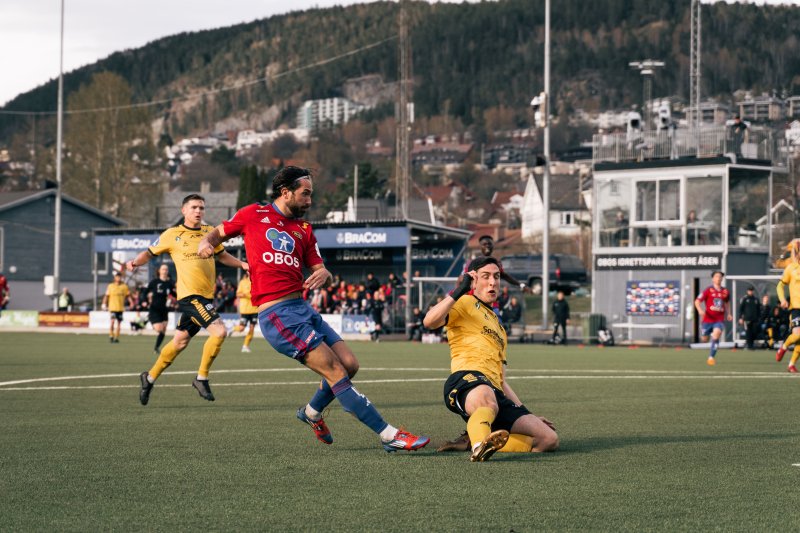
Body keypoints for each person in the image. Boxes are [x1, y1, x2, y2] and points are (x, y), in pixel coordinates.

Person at [196, 166, 429, 453]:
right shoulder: (253, 214)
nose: (309, 200)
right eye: (305, 194)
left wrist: (324, 274)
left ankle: (311, 412)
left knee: (351, 365)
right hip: (278, 315)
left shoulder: (304, 229)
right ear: (285, 192)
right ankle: (388, 434)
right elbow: (213, 236)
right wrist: (205, 245)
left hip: (302, 309)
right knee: (335, 371)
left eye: (311, 194)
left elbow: (320, 268)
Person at [423, 256, 558, 461]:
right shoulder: (464, 302)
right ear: (474, 280)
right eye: (485, 276)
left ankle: (478, 440)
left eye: (496, 277)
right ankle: (479, 446)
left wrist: (524, 412)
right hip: (466, 379)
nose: (493, 282)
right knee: (487, 399)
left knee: (548, 439)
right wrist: (459, 291)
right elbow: (429, 321)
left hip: (496, 392)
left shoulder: (499, 327)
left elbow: (501, 380)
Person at [125, 193, 249, 405]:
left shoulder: (210, 233)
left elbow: (222, 256)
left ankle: (150, 377)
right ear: (184, 210)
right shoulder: (172, 235)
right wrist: (135, 262)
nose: (198, 211)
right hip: (190, 296)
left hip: (205, 296)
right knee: (219, 331)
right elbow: (149, 252)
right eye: (194, 207)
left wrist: (243, 264)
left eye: (201, 207)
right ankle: (201, 378)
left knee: (180, 342)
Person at [694, 270, 732, 366]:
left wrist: (729, 313)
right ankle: (709, 334)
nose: (719, 278)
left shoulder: (725, 291)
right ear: (713, 279)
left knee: (717, 334)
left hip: (719, 319)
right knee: (704, 339)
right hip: (707, 319)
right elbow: (697, 301)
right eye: (717, 276)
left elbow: (727, 303)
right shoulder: (708, 290)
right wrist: (700, 310)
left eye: (720, 276)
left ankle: (711, 357)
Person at [775, 240, 800, 372]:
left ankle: (791, 364)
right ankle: (783, 347)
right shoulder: (791, 268)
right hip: (796, 308)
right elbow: (780, 285)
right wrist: (782, 299)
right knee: (797, 335)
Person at [145, 264, 176, 354]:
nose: (165, 271)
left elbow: (174, 294)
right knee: (159, 328)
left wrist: (179, 297)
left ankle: (156, 348)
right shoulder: (154, 282)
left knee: (163, 331)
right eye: (163, 269)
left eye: (166, 269)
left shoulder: (170, 283)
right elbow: (144, 292)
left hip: (164, 309)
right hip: (154, 308)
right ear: (159, 271)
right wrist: (144, 300)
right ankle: (148, 319)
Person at [102, 272, 134, 344]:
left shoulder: (124, 286)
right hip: (112, 308)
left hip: (120, 308)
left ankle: (116, 337)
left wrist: (131, 302)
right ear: (115, 278)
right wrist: (104, 303)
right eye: (117, 277)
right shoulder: (110, 286)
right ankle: (111, 336)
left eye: (120, 277)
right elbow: (106, 296)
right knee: (112, 322)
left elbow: (128, 296)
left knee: (119, 323)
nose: (118, 278)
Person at [235, 270, 258, 353]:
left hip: (255, 309)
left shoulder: (257, 282)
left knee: (252, 329)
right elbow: (238, 294)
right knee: (241, 328)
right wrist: (246, 295)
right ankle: (232, 329)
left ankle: (245, 346)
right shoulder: (243, 282)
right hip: (245, 309)